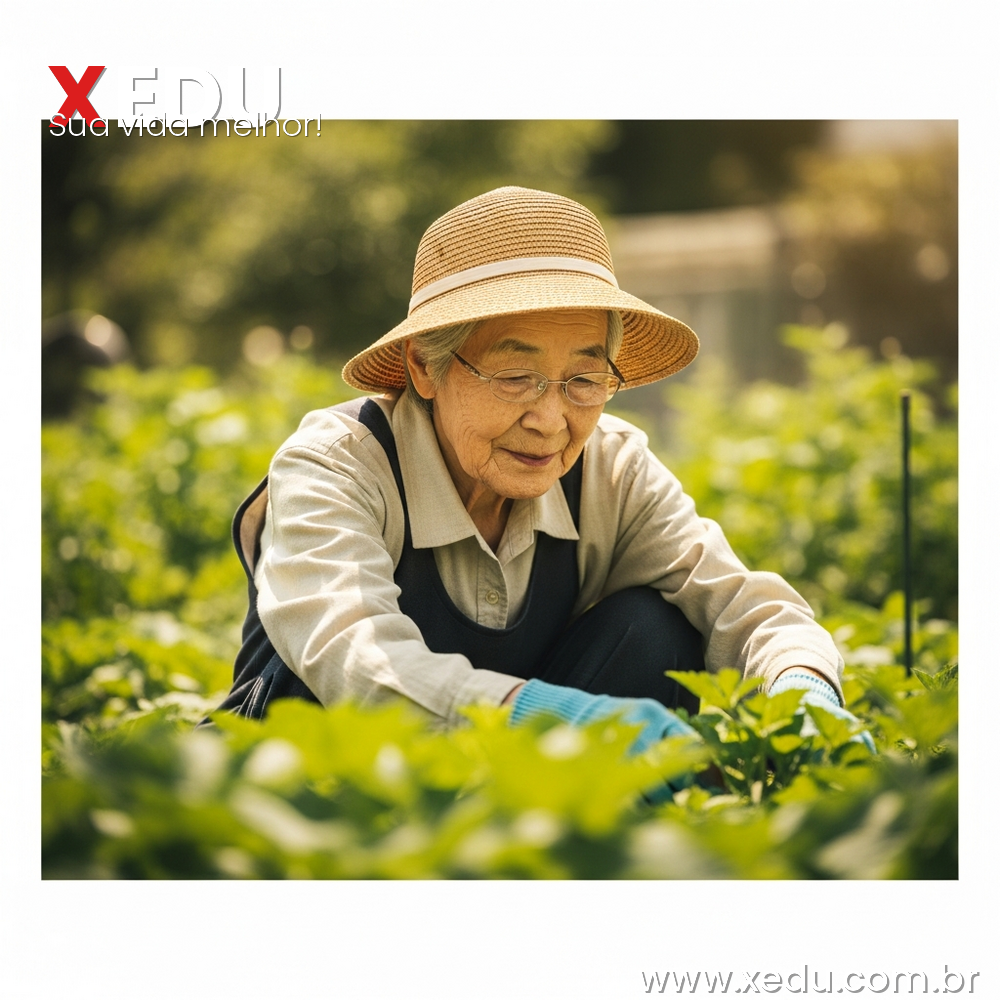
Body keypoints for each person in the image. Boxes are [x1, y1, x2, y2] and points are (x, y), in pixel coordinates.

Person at [216, 186, 856, 762]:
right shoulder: (339, 464)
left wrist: (801, 687)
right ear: (423, 367)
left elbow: (744, 605)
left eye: (585, 378)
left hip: (511, 803)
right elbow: (353, 657)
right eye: (515, 376)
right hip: (316, 802)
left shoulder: (610, 468)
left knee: (653, 630)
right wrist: (545, 718)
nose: (551, 420)